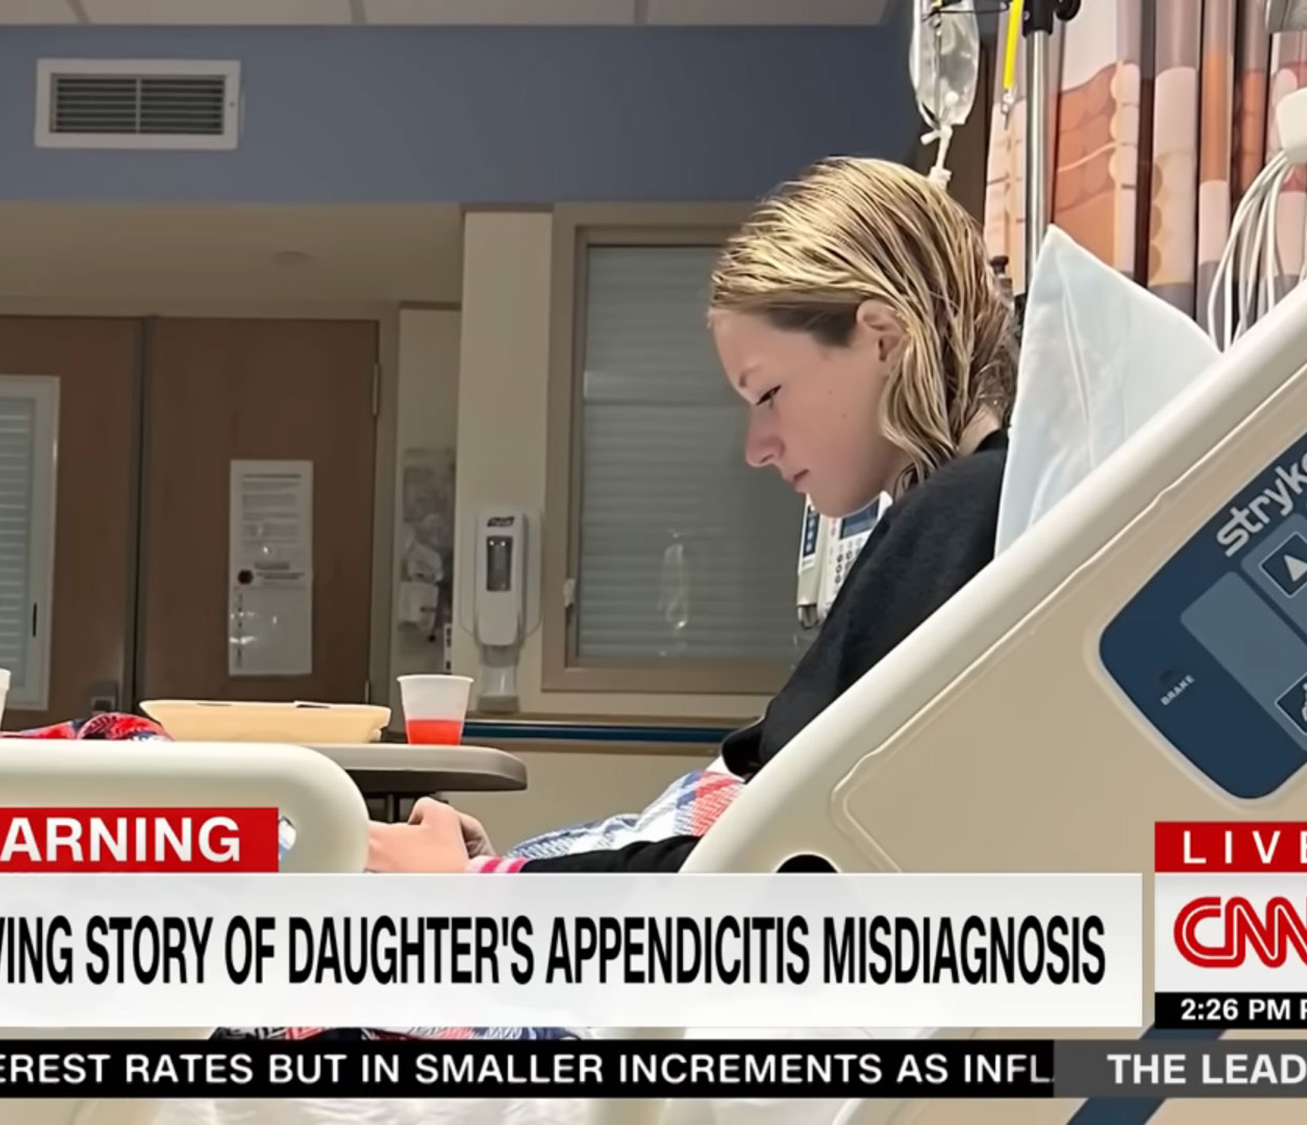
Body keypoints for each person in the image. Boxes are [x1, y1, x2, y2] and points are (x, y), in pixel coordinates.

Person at [368, 155, 1019, 875]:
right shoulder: (958, 517)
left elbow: (770, 879)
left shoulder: (963, 512)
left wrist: (479, 888)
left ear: (884, 339)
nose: (757, 448)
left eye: (767, 393)